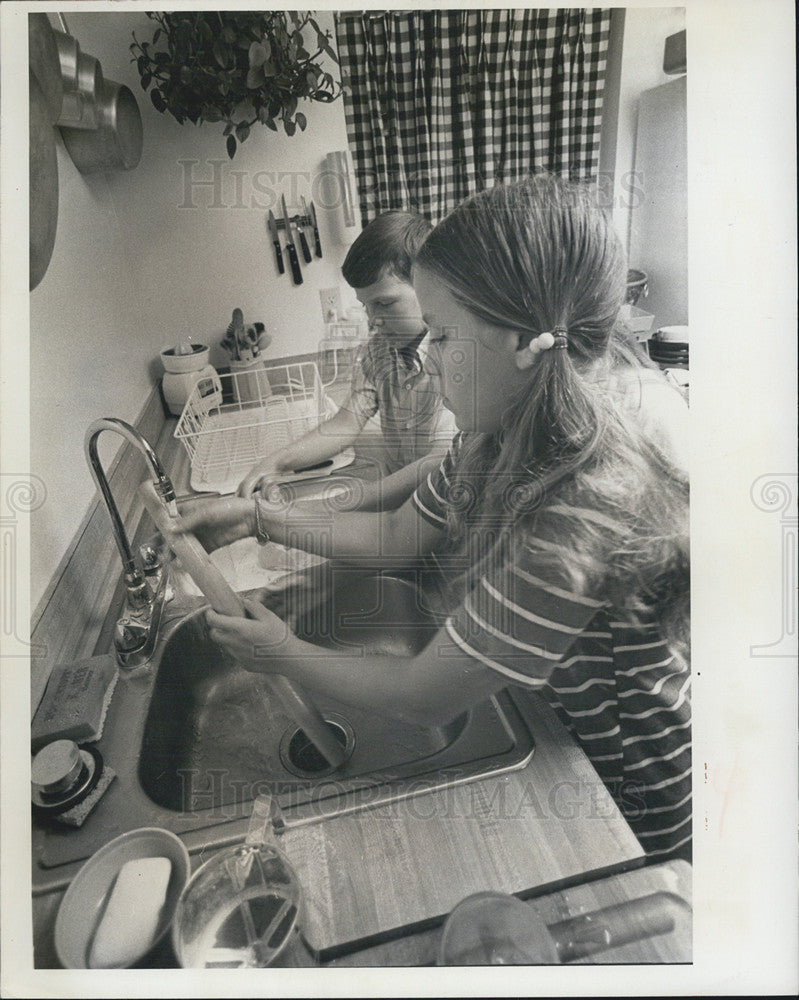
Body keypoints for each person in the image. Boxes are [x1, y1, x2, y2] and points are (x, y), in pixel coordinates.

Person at [175, 175, 691, 863]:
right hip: (563, 732)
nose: (427, 355)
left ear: (520, 341)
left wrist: (278, 652)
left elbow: (423, 698)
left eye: (443, 333)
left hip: (629, 793)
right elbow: (394, 537)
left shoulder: (579, 513)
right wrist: (260, 519)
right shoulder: (492, 441)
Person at [237, 211, 457, 508]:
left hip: (438, 504)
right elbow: (347, 422)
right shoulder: (379, 351)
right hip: (397, 497)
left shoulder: (454, 356)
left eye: (384, 303)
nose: (373, 321)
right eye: (366, 306)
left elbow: (436, 462)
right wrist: (276, 462)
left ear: (430, 287)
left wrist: (333, 506)